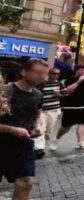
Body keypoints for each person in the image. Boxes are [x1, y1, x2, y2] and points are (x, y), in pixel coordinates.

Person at [0, 58, 47, 200]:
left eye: (44, 73)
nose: (42, 76)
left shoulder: (38, 95)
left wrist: (37, 127)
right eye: (38, 72)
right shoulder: (5, 91)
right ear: (23, 72)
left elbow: (37, 115)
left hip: (23, 145)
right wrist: (12, 130)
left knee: (26, 183)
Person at [52, 65, 84, 151]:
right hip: (71, 107)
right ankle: (56, 139)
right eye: (80, 70)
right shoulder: (70, 79)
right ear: (76, 71)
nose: (83, 72)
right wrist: (78, 82)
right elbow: (67, 90)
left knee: (82, 123)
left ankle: (80, 142)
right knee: (65, 127)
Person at [33, 68, 65, 157]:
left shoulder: (59, 84)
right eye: (54, 73)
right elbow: (35, 94)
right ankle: (39, 149)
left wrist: (59, 95)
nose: (56, 75)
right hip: (42, 111)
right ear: (49, 74)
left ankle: (41, 142)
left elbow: (65, 94)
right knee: (41, 129)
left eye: (58, 74)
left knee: (48, 131)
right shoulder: (42, 83)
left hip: (54, 110)